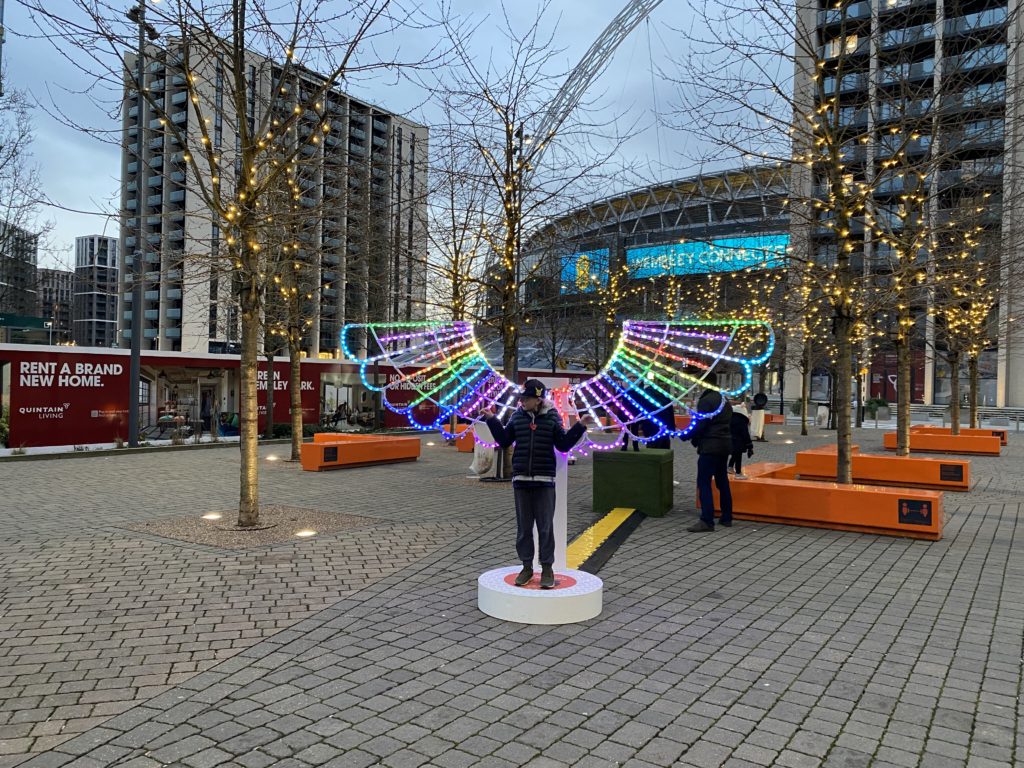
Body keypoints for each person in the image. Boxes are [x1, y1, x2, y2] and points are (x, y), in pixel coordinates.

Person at [482, 379, 588, 589]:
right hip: (521, 479)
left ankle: (547, 568)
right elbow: (504, 440)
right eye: (521, 398)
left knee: (545, 527)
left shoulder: (551, 419)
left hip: (544, 480)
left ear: (538, 399)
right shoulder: (517, 417)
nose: (522, 402)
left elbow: (563, 445)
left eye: (526, 398)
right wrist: (492, 420)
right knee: (524, 528)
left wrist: (579, 427)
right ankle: (527, 567)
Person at [687, 388, 734, 532]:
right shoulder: (724, 401)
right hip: (724, 445)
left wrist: (685, 434)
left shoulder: (705, 401)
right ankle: (727, 517)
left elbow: (701, 424)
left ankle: (707, 520)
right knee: (722, 481)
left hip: (710, 446)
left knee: (704, 482)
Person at [728, 399, 754, 478]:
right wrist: (750, 445)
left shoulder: (730, 418)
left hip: (730, 440)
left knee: (735, 454)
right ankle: (738, 473)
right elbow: (745, 433)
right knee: (738, 455)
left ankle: (730, 467)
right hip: (739, 441)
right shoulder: (741, 421)